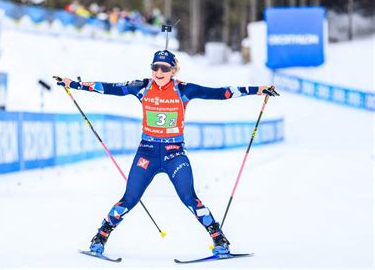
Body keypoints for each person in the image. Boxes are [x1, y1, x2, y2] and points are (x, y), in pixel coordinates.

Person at [58, 50, 279, 256]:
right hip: (147, 152)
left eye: (164, 68)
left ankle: (219, 240)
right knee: (130, 198)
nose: (159, 73)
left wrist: (257, 90)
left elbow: (221, 93)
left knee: (189, 197)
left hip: (174, 153)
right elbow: (109, 87)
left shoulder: (184, 89)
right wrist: (75, 84)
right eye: (155, 67)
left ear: (173, 70)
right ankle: (100, 237)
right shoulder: (141, 87)